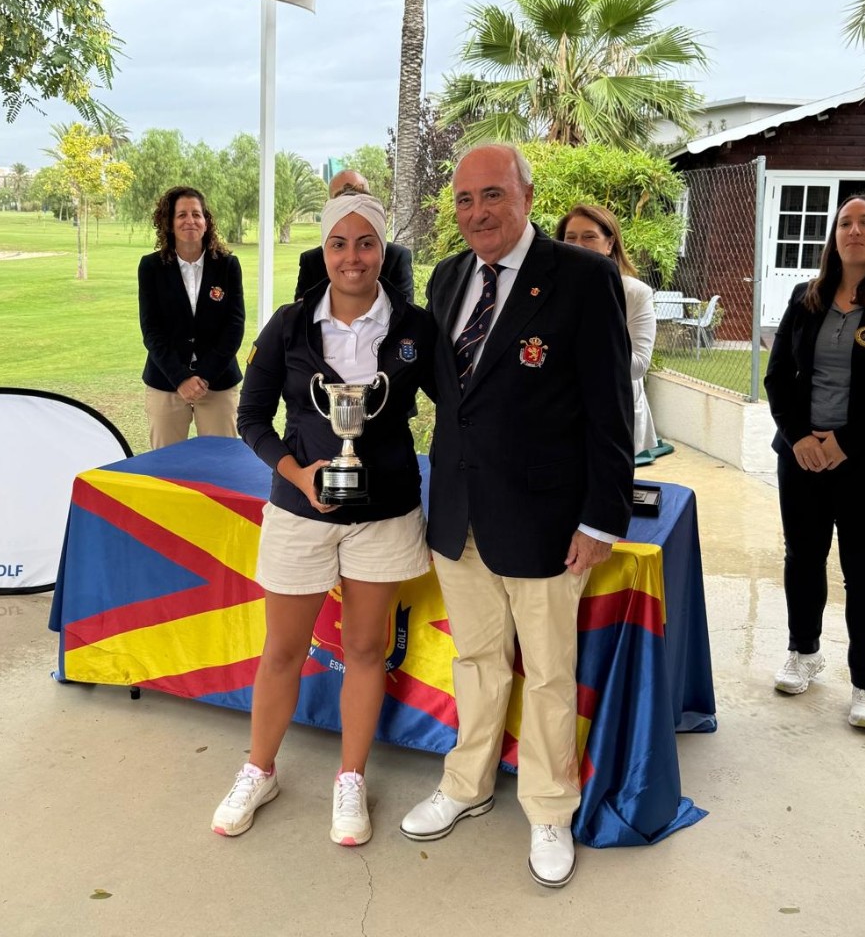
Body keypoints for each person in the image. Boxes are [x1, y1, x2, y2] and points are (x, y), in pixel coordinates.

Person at [400, 144, 634, 888]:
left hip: (545, 520)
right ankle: (465, 785)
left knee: (547, 675)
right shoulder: (445, 278)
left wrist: (601, 518)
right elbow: (451, 396)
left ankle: (547, 807)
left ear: (526, 198)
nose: (476, 214)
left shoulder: (582, 277)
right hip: (459, 513)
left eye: (491, 195)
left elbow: (609, 407)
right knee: (474, 661)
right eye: (464, 200)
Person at [211, 191, 435, 846]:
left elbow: (461, 404)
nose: (353, 257)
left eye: (366, 243)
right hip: (298, 514)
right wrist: (296, 473)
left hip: (386, 514)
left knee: (365, 651)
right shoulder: (287, 325)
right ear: (323, 251)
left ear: (383, 251)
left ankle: (350, 779)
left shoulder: (414, 327)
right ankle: (259, 769)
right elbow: (250, 419)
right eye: (339, 244)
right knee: (281, 651)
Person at [765, 193, 865, 730]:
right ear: (833, 236)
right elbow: (778, 378)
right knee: (803, 558)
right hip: (801, 459)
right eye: (845, 222)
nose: (855, 230)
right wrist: (799, 438)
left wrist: (843, 443)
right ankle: (804, 651)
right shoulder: (807, 298)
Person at [138, 186, 245, 449]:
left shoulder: (228, 266)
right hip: (166, 383)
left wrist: (204, 376)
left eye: (196, 214)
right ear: (169, 223)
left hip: (218, 384)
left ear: (206, 222)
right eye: (182, 215)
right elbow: (151, 330)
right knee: (167, 470)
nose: (190, 221)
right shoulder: (151, 267)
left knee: (222, 467)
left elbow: (234, 327)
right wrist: (181, 378)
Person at [557, 204, 658, 455]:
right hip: (557, 415)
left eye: (589, 237)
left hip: (611, 414)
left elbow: (638, 366)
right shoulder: (546, 292)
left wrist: (592, 339)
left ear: (610, 244)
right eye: (570, 238)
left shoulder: (634, 294)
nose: (578, 245)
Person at [295, 170, 415, 302]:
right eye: (342, 197)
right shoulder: (311, 261)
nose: (352, 258)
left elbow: (405, 309)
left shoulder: (397, 257)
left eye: (366, 244)